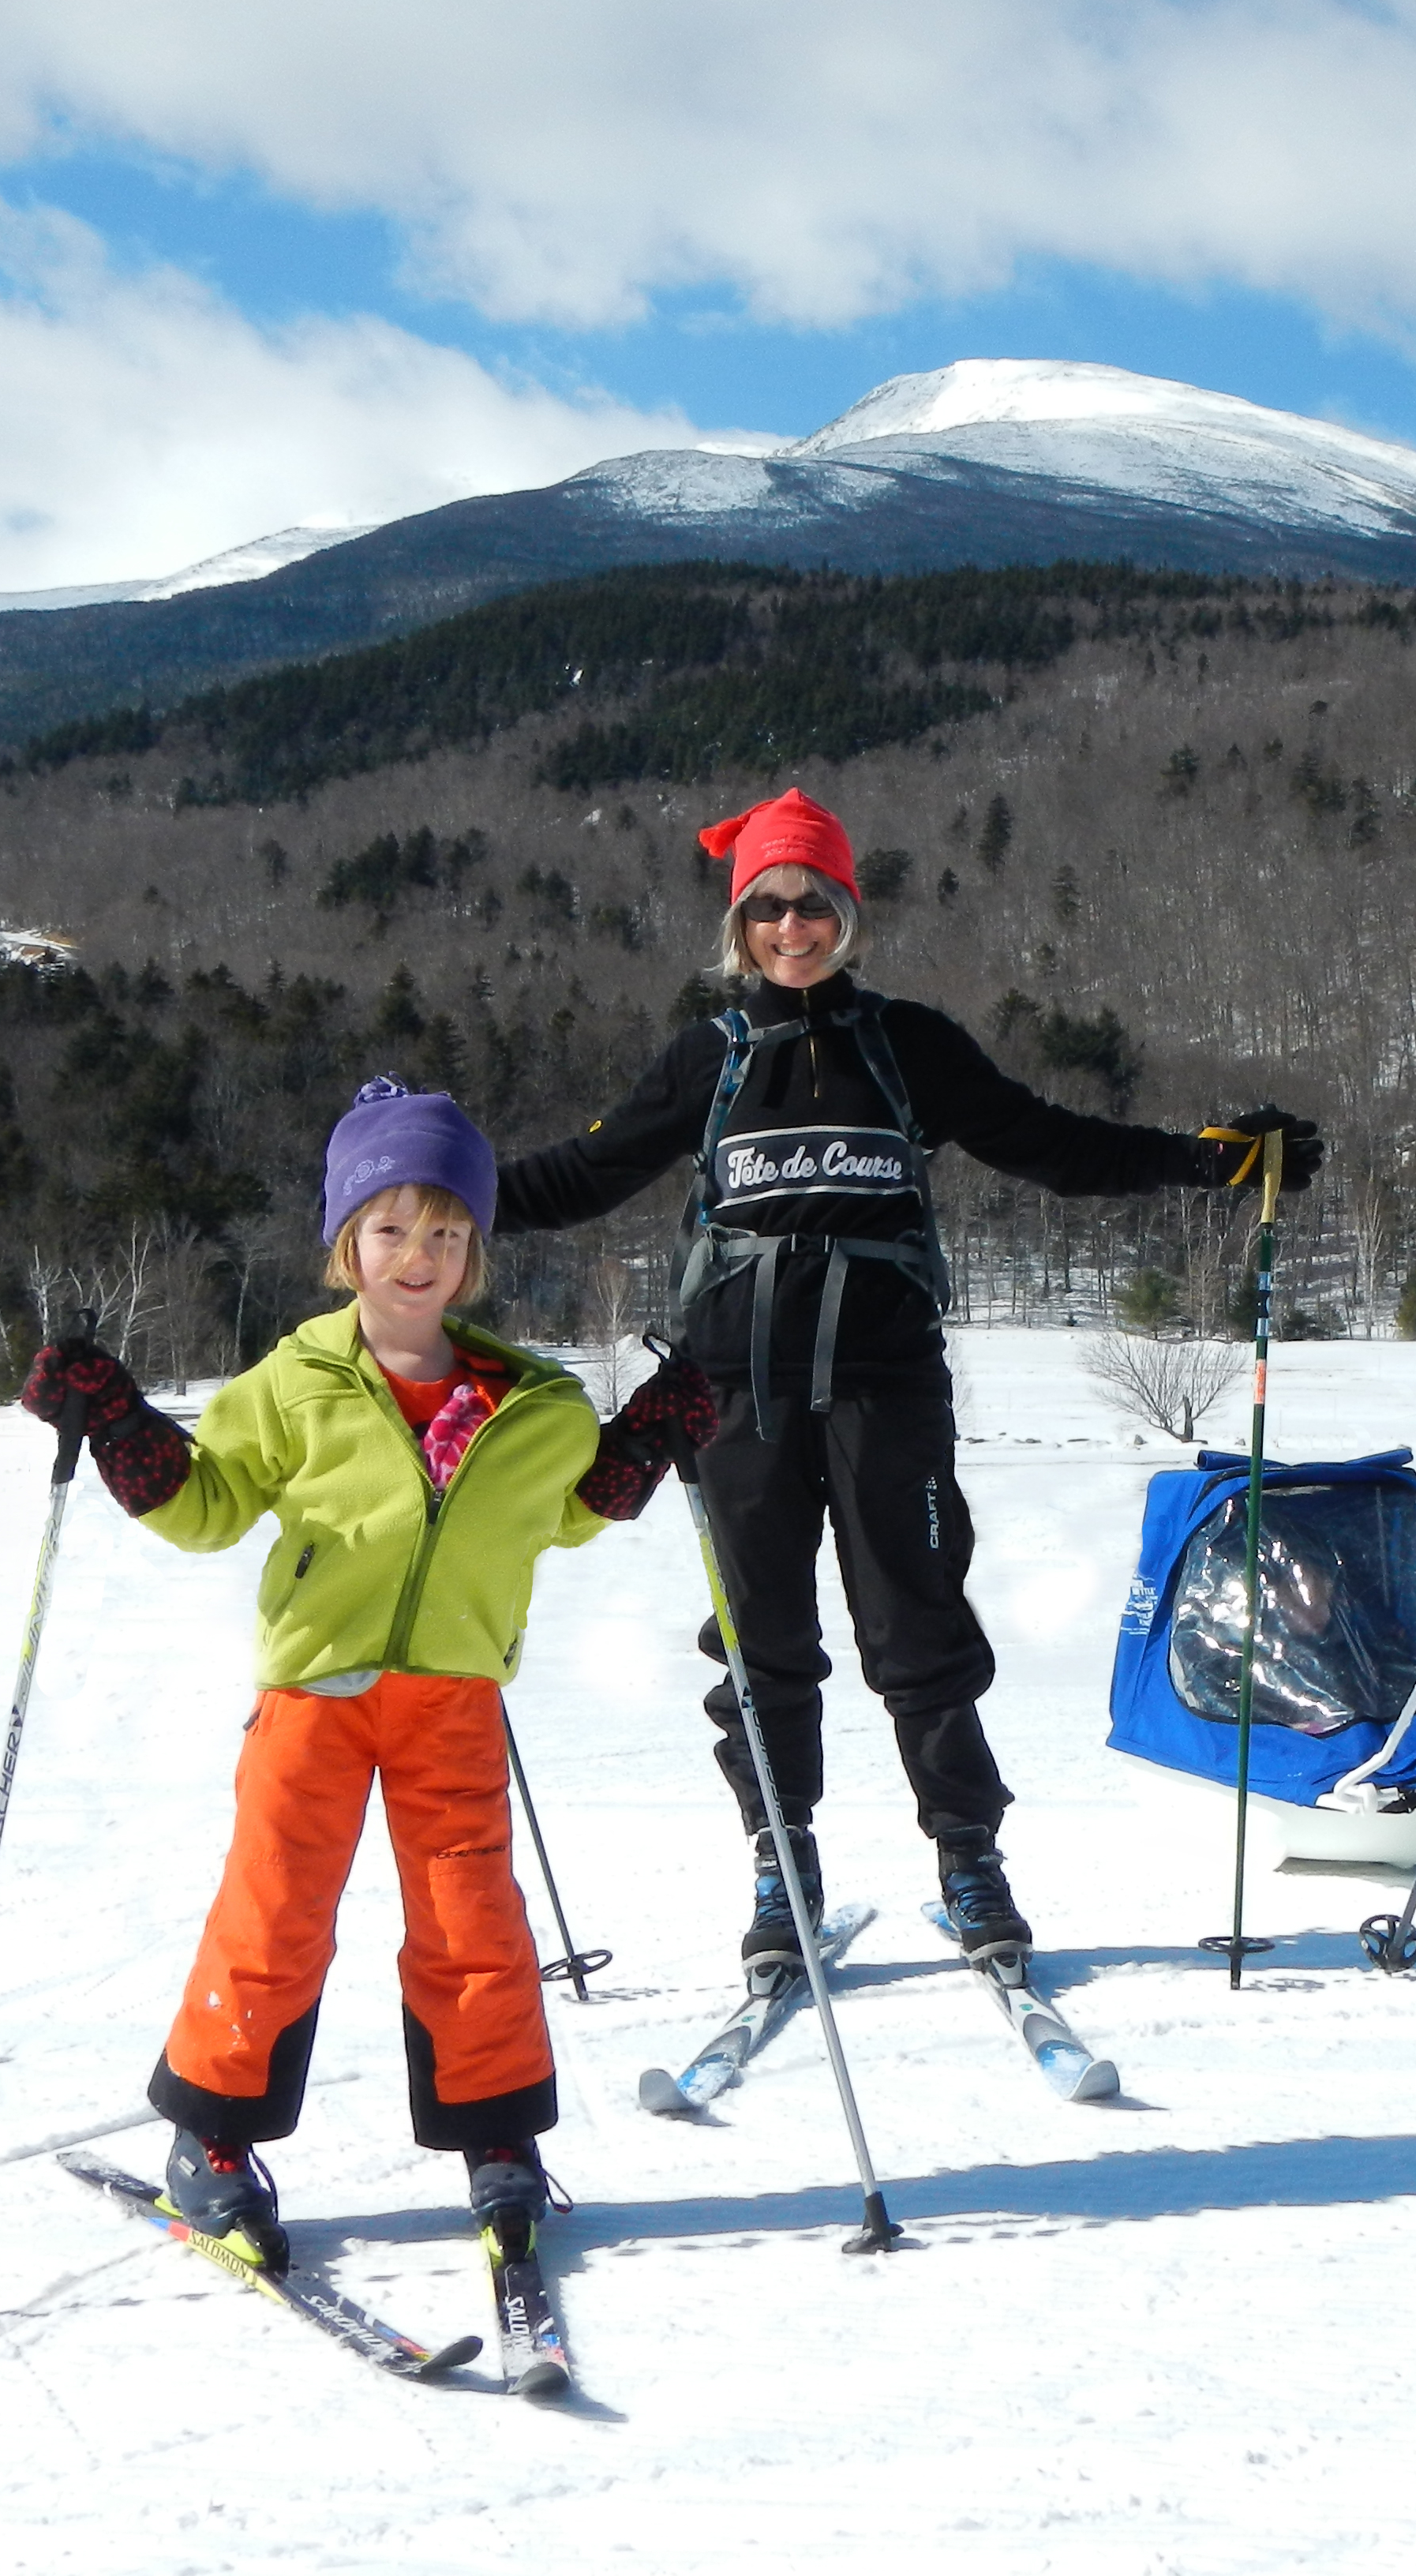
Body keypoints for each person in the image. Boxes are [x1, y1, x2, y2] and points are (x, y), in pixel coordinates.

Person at [496, 785, 1320, 1969]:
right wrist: (427, 1193)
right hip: (735, 1398)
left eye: (814, 903)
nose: (792, 928)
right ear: (740, 925)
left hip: (887, 1388)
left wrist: (1207, 1164)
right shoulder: (709, 1060)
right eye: (769, 907)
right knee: (759, 1642)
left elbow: (1049, 1142)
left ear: (848, 911)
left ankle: (968, 1856)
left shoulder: (909, 1046)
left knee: (917, 1629)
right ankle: (782, 1862)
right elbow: (583, 1176)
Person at [17, 1077, 715, 2276]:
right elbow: (206, 1506)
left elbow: (569, 1509)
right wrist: (121, 1424)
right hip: (316, 1698)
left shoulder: (533, 1404)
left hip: (452, 1700)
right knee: (277, 1914)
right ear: (347, 1243)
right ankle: (214, 2140)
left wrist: (648, 1437)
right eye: (391, 1228)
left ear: (476, 1252)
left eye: (447, 1231)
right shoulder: (292, 1384)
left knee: (473, 1924)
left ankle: (498, 2141)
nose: (420, 1255)